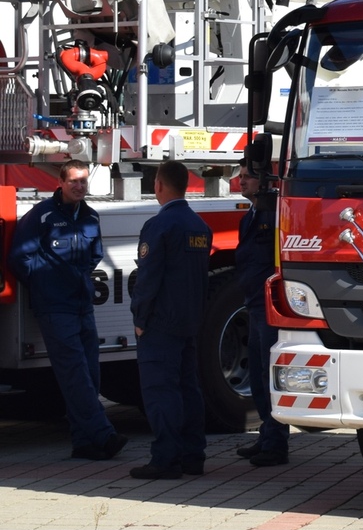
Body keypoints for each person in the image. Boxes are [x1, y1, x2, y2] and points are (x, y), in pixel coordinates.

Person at [9, 160, 127, 460]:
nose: (79, 186)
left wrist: (75, 279)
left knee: (90, 372)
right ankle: (104, 434)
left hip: (82, 304)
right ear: (60, 183)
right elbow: (20, 259)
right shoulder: (42, 216)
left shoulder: (90, 216)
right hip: (54, 307)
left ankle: (83, 444)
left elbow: (94, 255)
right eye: (73, 181)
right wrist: (47, 283)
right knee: (74, 373)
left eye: (83, 182)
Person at [127, 160, 212, 481]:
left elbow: (148, 278)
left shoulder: (159, 226)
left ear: (159, 185)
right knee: (188, 388)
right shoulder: (199, 226)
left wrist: (140, 318)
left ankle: (165, 458)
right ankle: (193, 455)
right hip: (189, 321)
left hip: (160, 323)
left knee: (160, 390)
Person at [233, 158, 288, 467]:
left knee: (270, 375)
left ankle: (277, 443)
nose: (242, 182)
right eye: (240, 177)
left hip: (268, 308)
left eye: (248, 177)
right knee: (256, 374)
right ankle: (266, 434)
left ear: (264, 182)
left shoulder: (272, 213)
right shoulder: (249, 217)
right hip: (253, 304)